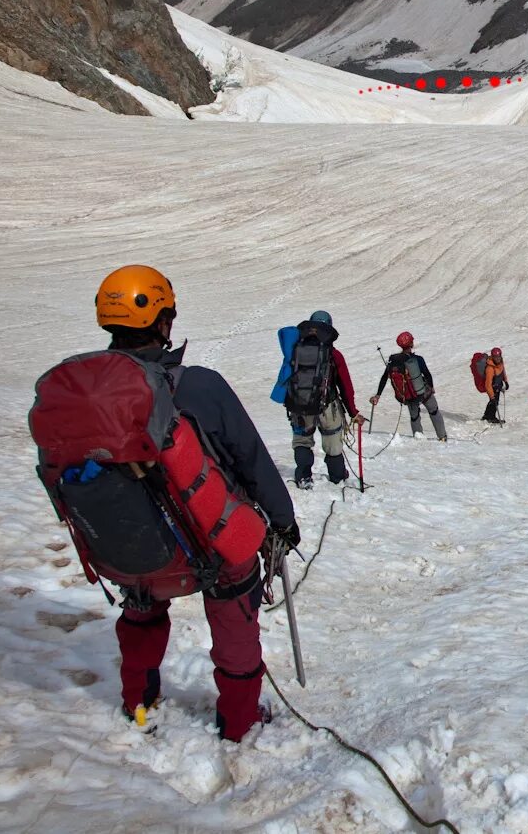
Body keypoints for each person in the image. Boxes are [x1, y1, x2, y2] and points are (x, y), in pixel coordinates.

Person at [92, 264, 300, 741]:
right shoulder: (199, 385)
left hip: (131, 546)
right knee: (233, 605)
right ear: (163, 320)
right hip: (208, 543)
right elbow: (250, 457)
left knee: (141, 604)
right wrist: (282, 521)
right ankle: (239, 720)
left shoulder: (89, 394)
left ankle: (139, 701)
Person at [283, 310, 365, 488]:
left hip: (300, 405)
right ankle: (337, 477)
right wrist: (353, 412)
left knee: (302, 441)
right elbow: (345, 386)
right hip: (328, 406)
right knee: (332, 442)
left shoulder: (295, 350)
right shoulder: (334, 354)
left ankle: (304, 477)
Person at [370, 331, 448, 441]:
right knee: (434, 411)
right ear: (411, 344)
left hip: (408, 396)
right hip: (423, 392)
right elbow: (427, 374)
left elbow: (384, 377)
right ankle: (442, 437)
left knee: (414, 417)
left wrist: (378, 395)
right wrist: (431, 387)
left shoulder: (393, 361)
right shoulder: (418, 359)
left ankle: (419, 439)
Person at [482, 346, 508, 424]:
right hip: (492, 387)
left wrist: (505, 381)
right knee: (494, 401)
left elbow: (503, 371)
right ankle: (491, 417)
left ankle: (486, 416)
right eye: (495, 357)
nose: (497, 358)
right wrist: (491, 395)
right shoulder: (490, 368)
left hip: (498, 385)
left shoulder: (500, 363)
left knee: (494, 401)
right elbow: (488, 384)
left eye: (498, 356)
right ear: (492, 357)